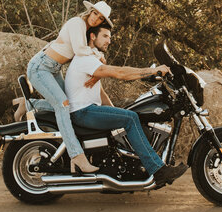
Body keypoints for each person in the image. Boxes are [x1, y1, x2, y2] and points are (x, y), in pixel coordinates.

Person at [65, 24, 188, 187]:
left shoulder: (92, 59)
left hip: (88, 110)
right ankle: (157, 170)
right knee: (130, 118)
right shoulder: (85, 59)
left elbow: (100, 93)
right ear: (93, 37)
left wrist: (114, 111)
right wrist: (152, 71)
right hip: (83, 112)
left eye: (110, 37)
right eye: (105, 36)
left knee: (127, 114)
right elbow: (120, 73)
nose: (109, 40)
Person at [16, 0, 113, 175]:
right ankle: (77, 156)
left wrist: (97, 61)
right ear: (90, 11)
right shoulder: (77, 23)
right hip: (41, 67)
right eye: (95, 14)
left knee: (71, 104)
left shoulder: (85, 30)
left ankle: (30, 104)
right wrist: (99, 57)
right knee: (63, 104)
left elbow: (84, 52)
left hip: (53, 69)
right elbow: (79, 50)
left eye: (100, 18)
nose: (96, 19)